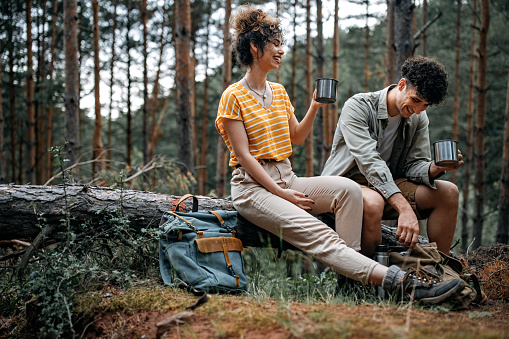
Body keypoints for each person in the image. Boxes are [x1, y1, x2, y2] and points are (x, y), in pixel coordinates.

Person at [215, 5, 464, 304]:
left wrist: (314, 107)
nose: (281, 50)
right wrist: (282, 195)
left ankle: (356, 283)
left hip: (287, 176)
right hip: (253, 187)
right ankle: (403, 284)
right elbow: (243, 156)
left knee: (349, 191)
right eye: (275, 45)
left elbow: (295, 137)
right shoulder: (233, 95)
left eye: (282, 44)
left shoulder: (278, 92)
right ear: (255, 47)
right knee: (321, 234)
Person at [322, 56, 463, 258]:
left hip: (386, 187)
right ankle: (364, 282)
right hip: (346, 184)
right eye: (415, 100)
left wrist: (435, 168)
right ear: (402, 84)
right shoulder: (358, 106)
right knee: (373, 202)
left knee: (448, 192)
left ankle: (440, 270)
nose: (417, 110)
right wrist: (405, 209)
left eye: (425, 105)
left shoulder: (418, 118)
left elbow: (413, 165)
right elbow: (369, 162)